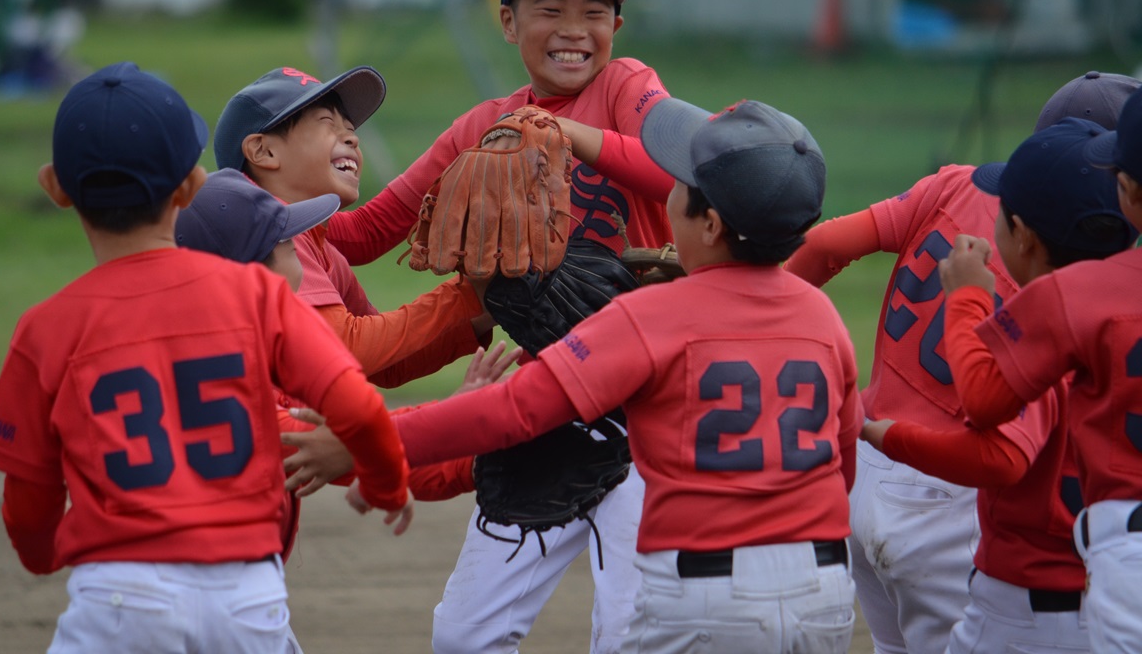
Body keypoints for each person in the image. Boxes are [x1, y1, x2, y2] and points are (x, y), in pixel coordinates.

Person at [330, 97, 861, 654]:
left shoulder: (653, 314)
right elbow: (840, 462)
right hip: (822, 586)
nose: (666, 193)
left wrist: (373, 440)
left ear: (709, 224)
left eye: (678, 185)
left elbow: (512, 410)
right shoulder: (821, 317)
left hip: (703, 590)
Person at [321, 0, 675, 654]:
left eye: (595, 10)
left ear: (618, 25)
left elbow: (682, 167)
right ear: (508, 21)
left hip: (644, 413)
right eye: (550, 7)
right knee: (464, 635)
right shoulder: (482, 127)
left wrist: (572, 137)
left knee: (632, 634)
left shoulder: (625, 86)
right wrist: (269, 205)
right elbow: (362, 235)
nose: (574, 28)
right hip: (541, 404)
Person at [0, 62, 411, 654]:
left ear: (55, 188)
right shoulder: (254, 294)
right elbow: (356, 404)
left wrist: (42, 552)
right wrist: (385, 484)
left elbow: (28, 499)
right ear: (191, 185)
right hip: (248, 591)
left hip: (121, 594)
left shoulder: (45, 329)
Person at [783, 70, 1140, 654]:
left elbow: (822, 246)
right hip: (948, 489)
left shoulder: (954, 184)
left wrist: (754, 310)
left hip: (860, 469)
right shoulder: (1069, 290)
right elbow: (1006, 450)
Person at [175, 168, 520, 558]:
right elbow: (354, 438)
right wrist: (460, 420)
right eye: (289, 244)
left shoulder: (230, 354)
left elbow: (353, 440)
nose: (300, 252)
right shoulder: (230, 383)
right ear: (252, 275)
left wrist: (469, 433)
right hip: (198, 590)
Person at [940, 85, 1142, 653]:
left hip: (1117, 557)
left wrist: (968, 299)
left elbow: (983, 399)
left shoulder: (1078, 293)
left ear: (1127, 193)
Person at [212, 65, 493, 390]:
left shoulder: (319, 246)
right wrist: (462, 297)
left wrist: (488, 306)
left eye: (349, 127)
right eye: (327, 124)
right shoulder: (265, 234)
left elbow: (386, 363)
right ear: (264, 151)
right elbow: (346, 348)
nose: (352, 136)